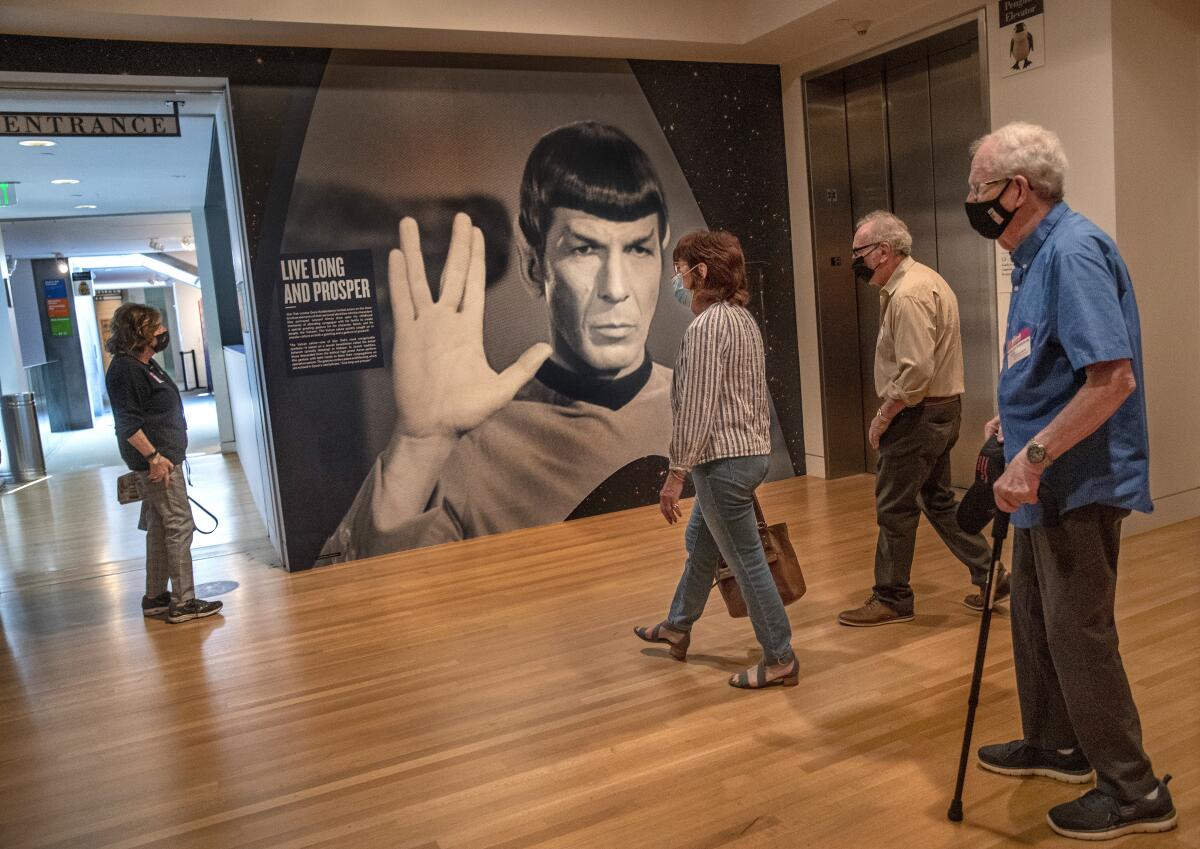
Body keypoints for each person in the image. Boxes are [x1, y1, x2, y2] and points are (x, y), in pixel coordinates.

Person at [319, 122, 679, 563]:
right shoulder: (467, 447)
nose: (616, 287)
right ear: (533, 264)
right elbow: (361, 612)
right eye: (584, 250)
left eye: (639, 250)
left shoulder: (709, 403)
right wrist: (421, 444)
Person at [967, 122, 1175, 840]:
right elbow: (1046, 366)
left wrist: (1037, 453)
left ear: (1016, 190)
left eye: (978, 187)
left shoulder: (1074, 251)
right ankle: (1056, 742)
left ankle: (1135, 789)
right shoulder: (1033, 256)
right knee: (1031, 614)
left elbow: (1112, 378)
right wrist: (1010, 426)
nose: (973, 201)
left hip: (1076, 481)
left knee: (1079, 630)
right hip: (1043, 476)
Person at [633, 230, 797, 690]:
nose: (677, 278)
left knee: (747, 563)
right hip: (743, 455)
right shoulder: (741, 319)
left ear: (700, 273)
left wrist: (675, 475)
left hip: (722, 463)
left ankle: (780, 658)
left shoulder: (706, 329)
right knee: (701, 543)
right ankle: (677, 625)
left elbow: (697, 407)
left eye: (680, 268)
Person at [836, 211, 997, 627]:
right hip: (943, 412)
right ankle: (991, 572)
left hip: (916, 417)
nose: (854, 260)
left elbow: (915, 372)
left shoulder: (907, 295)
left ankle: (891, 596)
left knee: (894, 508)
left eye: (859, 252)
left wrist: (884, 415)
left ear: (883, 252)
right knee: (938, 499)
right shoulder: (928, 280)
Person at [104, 303, 222, 624]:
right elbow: (127, 424)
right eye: (155, 326)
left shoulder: (145, 363)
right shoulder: (125, 371)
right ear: (138, 331)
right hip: (158, 465)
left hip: (166, 460)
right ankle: (184, 602)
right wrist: (154, 458)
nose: (162, 331)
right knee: (180, 526)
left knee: (158, 527)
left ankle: (155, 597)